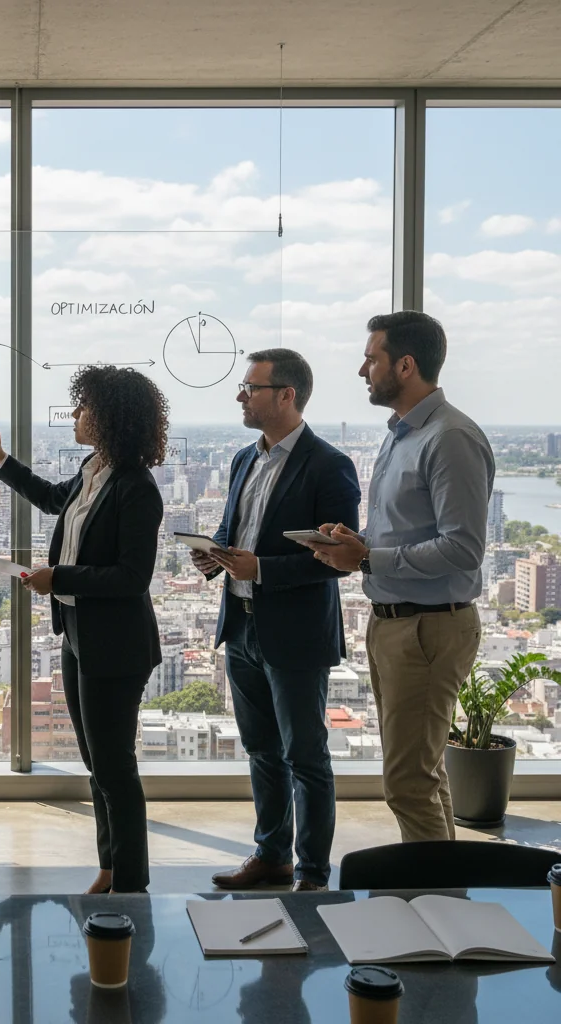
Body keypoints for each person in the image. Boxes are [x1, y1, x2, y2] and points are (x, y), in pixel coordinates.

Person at [0, 365, 167, 894]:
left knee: (114, 768)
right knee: (96, 764)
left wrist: (58, 576)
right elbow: (53, 499)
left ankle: (131, 883)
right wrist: (0, 458)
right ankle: (110, 868)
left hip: (117, 643)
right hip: (80, 633)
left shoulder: (136, 489)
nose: (75, 416)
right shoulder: (94, 470)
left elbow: (133, 577)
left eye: (83, 408)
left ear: (109, 418)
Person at [306, 312, 493, 842]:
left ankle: (431, 903)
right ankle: (442, 902)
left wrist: (367, 559)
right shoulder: (402, 435)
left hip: (428, 628)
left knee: (407, 783)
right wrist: (355, 542)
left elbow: (463, 548)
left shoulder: (449, 438)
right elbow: (407, 529)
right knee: (421, 776)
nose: (362, 369)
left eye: (373, 358)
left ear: (406, 365)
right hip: (397, 624)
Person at [194, 349, 360, 892]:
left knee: (305, 756)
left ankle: (312, 874)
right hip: (240, 625)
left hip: (294, 634)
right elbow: (232, 532)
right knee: (262, 750)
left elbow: (339, 560)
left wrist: (261, 568)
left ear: (286, 395)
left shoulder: (329, 465)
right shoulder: (244, 459)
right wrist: (212, 555)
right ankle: (272, 857)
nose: (240, 396)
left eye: (250, 387)